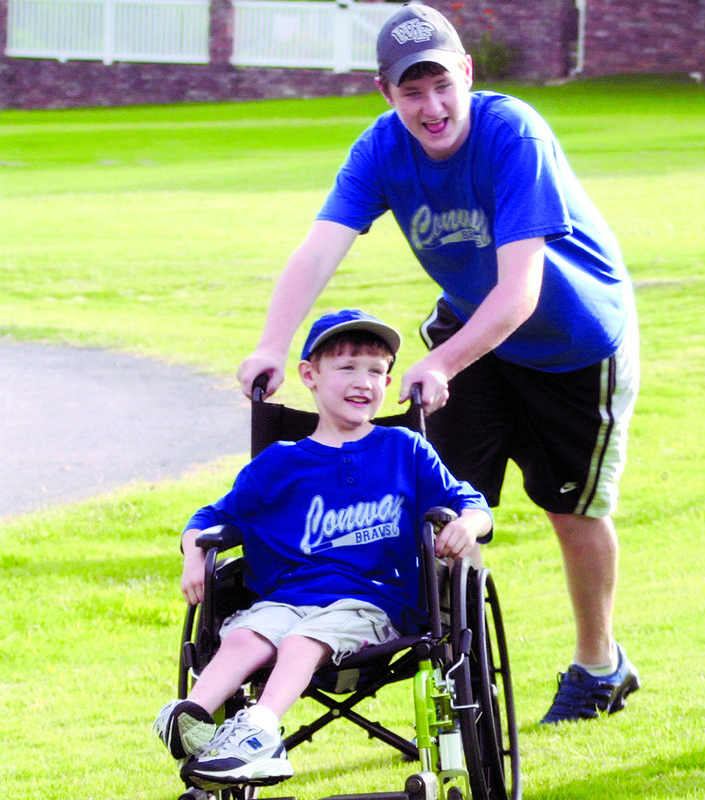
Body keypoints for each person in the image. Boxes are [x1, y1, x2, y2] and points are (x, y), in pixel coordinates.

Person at [236, 3, 640, 725]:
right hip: (471, 328)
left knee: (569, 508)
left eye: (443, 85)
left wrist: (445, 361)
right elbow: (320, 248)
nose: (432, 107)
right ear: (385, 93)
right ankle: (463, 671)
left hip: (573, 343)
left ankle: (599, 666)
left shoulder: (511, 132)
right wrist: (273, 342)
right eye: (412, 91)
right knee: (443, 510)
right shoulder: (381, 150)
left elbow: (522, 291)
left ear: (467, 75)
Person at [154, 308, 493, 788]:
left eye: (376, 371)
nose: (364, 381)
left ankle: (259, 732)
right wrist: (195, 556)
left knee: (298, 641)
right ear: (309, 376)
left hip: (372, 601)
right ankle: (191, 715)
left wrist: (468, 525)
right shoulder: (279, 464)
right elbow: (209, 520)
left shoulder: (404, 449)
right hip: (286, 599)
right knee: (246, 634)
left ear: (388, 379)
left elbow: (470, 503)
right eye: (348, 368)